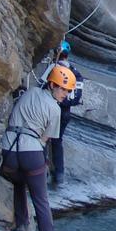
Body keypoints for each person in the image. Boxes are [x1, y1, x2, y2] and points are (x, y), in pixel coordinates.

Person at [0, 64, 76, 231]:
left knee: (18, 181)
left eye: (67, 91)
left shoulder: (30, 92)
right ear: (51, 85)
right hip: (30, 149)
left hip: (8, 148)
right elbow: (46, 139)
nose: (65, 94)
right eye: (62, 89)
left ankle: (21, 225)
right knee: (41, 200)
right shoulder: (55, 109)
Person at [41, 40, 84, 187]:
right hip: (65, 113)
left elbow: (42, 86)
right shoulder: (75, 72)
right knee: (57, 142)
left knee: (44, 140)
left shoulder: (53, 69)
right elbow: (76, 97)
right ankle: (59, 175)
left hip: (50, 109)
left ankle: (43, 173)